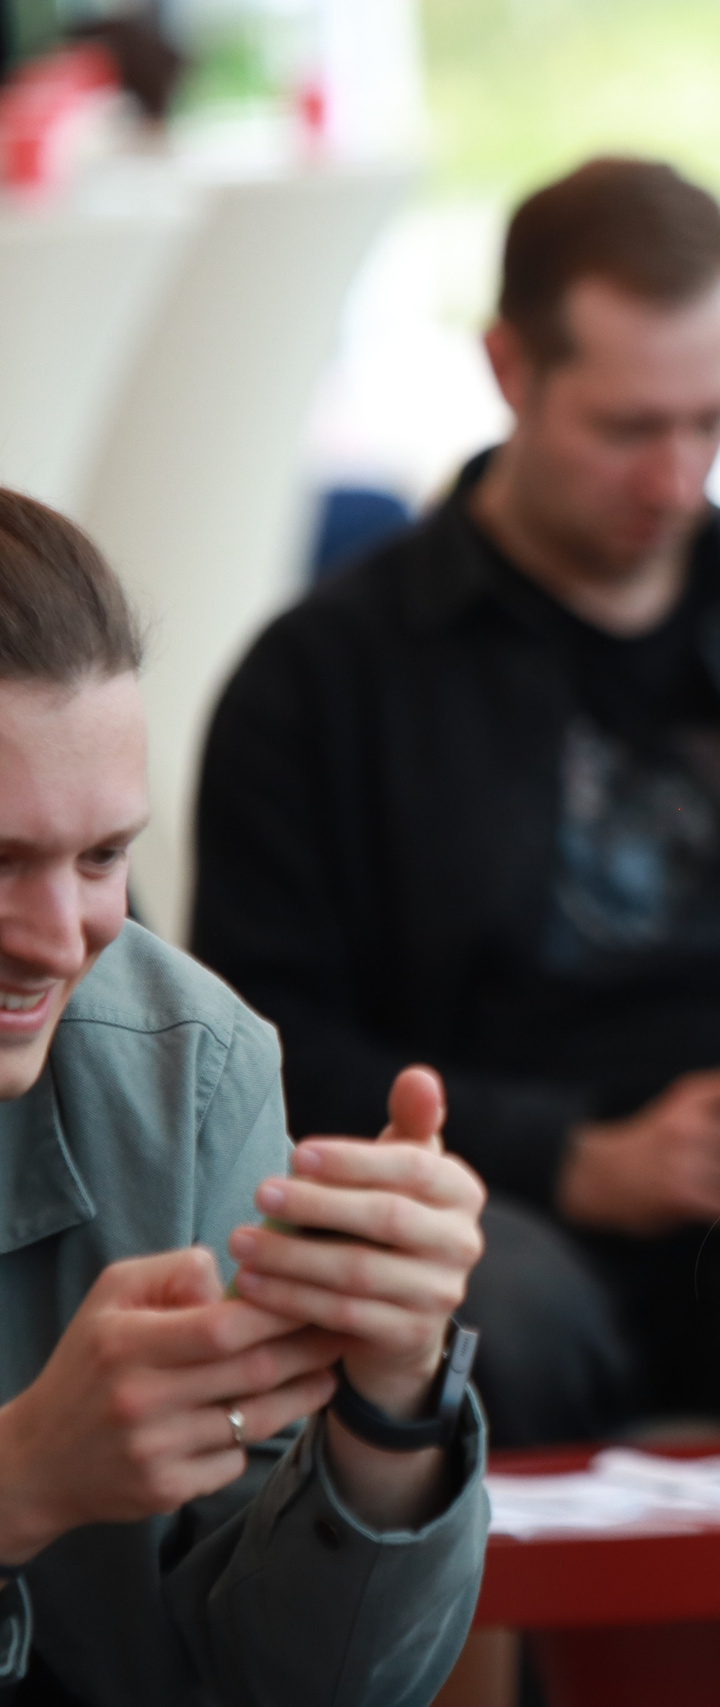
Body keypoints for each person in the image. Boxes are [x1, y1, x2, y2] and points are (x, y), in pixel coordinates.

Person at [190, 158, 720, 1449]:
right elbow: (257, 1043)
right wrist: (577, 1151)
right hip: (491, 1190)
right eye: (628, 428)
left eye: (709, 420)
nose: (675, 478)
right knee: (486, 1319)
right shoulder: (323, 679)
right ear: (510, 370)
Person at [0, 490, 490, 1705]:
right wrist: (20, 1484)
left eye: (104, 857)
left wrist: (390, 1405)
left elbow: (287, 1688)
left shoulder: (192, 1066)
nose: (61, 939)